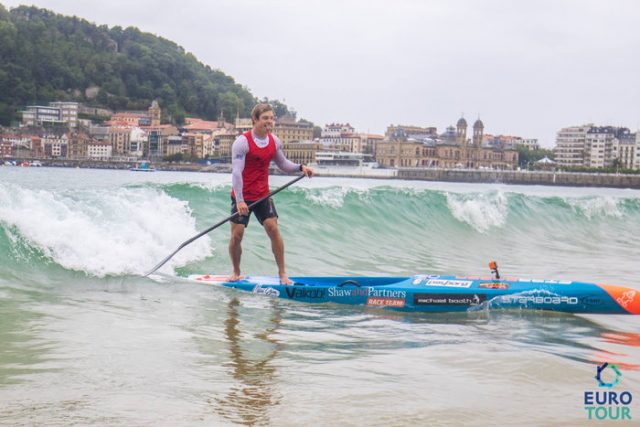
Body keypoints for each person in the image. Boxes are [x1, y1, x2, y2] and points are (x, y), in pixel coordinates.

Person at [228, 103, 314, 285]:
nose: (269, 122)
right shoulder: (242, 142)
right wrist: (240, 201)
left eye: (271, 118)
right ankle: (236, 272)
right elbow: (236, 173)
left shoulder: (274, 141)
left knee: (273, 229)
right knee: (237, 235)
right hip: (242, 196)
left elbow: (283, 164)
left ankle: (283, 274)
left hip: (262, 195)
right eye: (265, 118)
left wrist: (300, 168)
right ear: (255, 120)